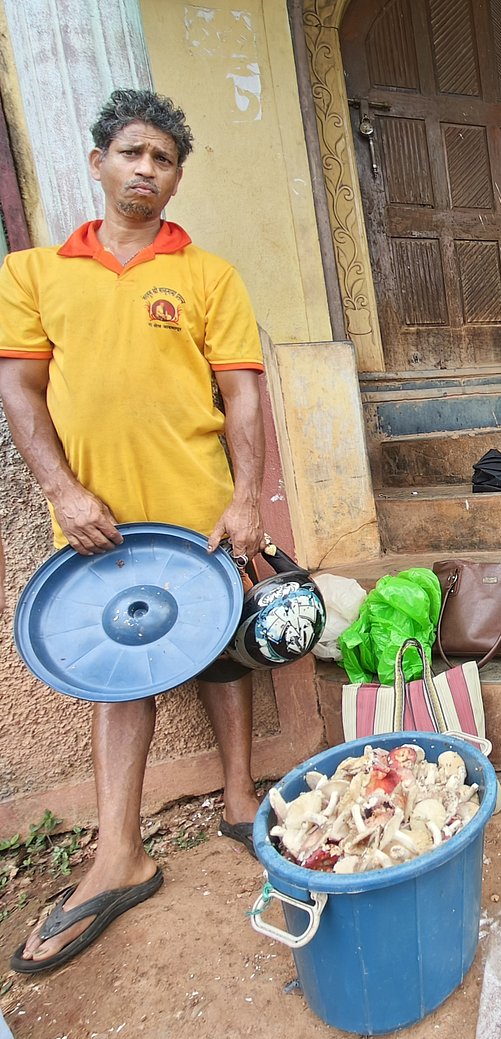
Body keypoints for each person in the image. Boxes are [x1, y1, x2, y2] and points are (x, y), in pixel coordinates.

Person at [0, 89, 266, 973]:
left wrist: (247, 497)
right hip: (99, 523)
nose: (146, 170)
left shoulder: (207, 274)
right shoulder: (35, 273)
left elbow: (243, 394)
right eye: (132, 153)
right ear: (98, 163)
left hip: (196, 505)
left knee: (226, 651)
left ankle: (237, 794)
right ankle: (120, 850)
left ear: (177, 177)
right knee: (121, 673)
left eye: (163, 159)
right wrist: (62, 490)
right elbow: (19, 390)